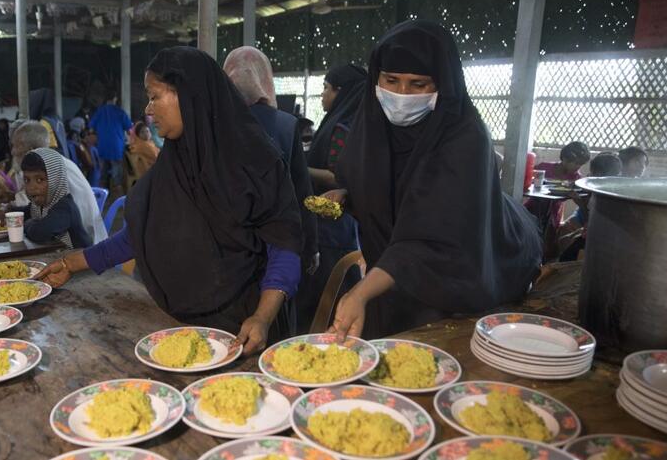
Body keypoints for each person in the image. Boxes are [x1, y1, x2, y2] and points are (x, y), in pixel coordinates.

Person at [36, 46, 303, 354]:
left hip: (243, 326)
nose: (148, 110)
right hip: (179, 319)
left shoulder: (256, 161)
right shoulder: (175, 162)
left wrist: (262, 317)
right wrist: (72, 263)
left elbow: (284, 244)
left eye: (154, 96)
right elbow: (139, 235)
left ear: (188, 95)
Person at [323, 19, 542, 340]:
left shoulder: (465, 138)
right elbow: (377, 184)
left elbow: (435, 233)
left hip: (459, 269)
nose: (401, 94)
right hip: (390, 270)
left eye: (418, 84)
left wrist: (361, 292)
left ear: (443, 84)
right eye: (391, 80)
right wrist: (349, 193)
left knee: (437, 343)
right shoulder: (372, 124)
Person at [223, 45, 319, 280]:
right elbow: (302, 190)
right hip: (278, 245)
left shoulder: (215, 123)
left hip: (227, 247)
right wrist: (310, 246)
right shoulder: (286, 125)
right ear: (265, 77)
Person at [299, 63, 366, 332]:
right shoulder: (354, 122)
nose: (323, 94)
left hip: (332, 225)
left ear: (341, 92)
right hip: (341, 225)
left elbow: (337, 176)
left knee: (328, 291)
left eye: (326, 88)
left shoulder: (343, 127)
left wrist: (299, 167)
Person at [9, 122, 108, 244]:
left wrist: (28, 222)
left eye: (16, 146)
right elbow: (33, 208)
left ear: (31, 150)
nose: (12, 152)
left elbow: (42, 230)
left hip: (86, 247)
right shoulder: (51, 165)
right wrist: (11, 210)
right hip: (62, 238)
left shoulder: (54, 171)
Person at [0, 148, 93, 249]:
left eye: (40, 180)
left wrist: (27, 223)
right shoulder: (41, 204)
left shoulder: (65, 207)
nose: (31, 187)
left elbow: (39, 233)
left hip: (79, 257)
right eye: (27, 180)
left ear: (55, 180)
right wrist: (7, 210)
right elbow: (26, 212)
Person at [558, 152, 622, 262]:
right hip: (599, 235)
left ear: (597, 174)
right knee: (563, 240)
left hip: (596, 239)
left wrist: (579, 202)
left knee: (565, 256)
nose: (589, 175)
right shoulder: (614, 188)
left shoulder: (602, 195)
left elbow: (592, 221)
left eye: (592, 173)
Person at [89, 88, 133, 192]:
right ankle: (117, 197)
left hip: (102, 146)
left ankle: (103, 196)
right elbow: (129, 129)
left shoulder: (99, 111)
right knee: (117, 176)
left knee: (103, 174)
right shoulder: (120, 112)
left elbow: (91, 128)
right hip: (116, 147)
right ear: (115, 98)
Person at [29, 88, 69, 159]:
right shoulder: (56, 119)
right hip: (64, 160)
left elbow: (50, 149)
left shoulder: (44, 123)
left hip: (54, 162)